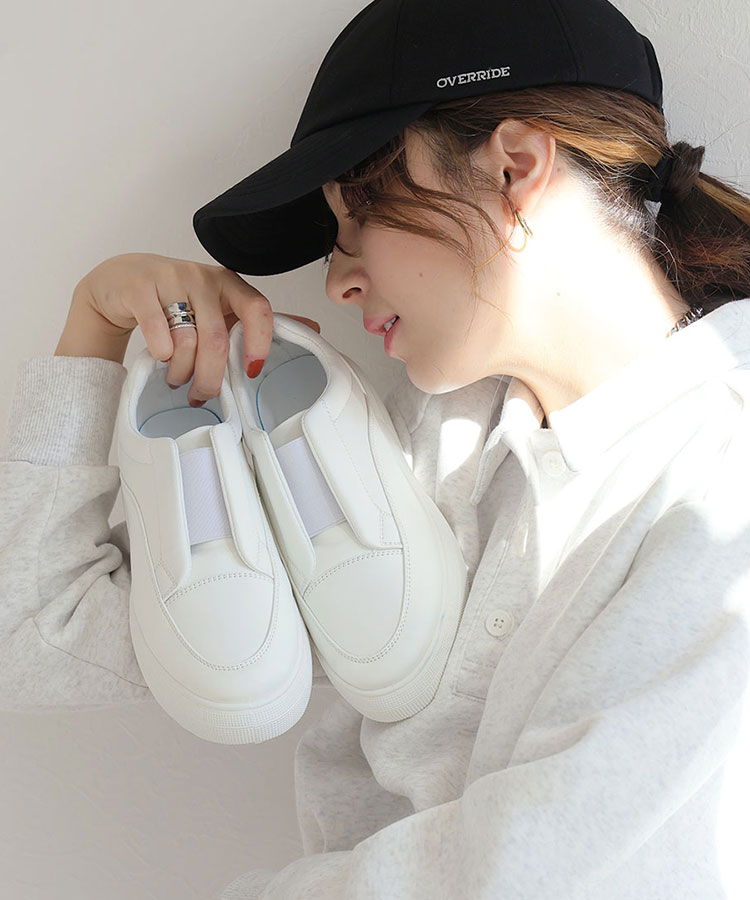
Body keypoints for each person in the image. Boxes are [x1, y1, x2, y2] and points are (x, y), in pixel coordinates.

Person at [2, 0, 750, 897]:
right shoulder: (439, 437)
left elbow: (541, 868)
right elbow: (38, 640)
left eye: (359, 220)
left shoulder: (722, 478)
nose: (337, 282)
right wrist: (94, 325)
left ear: (515, 167)